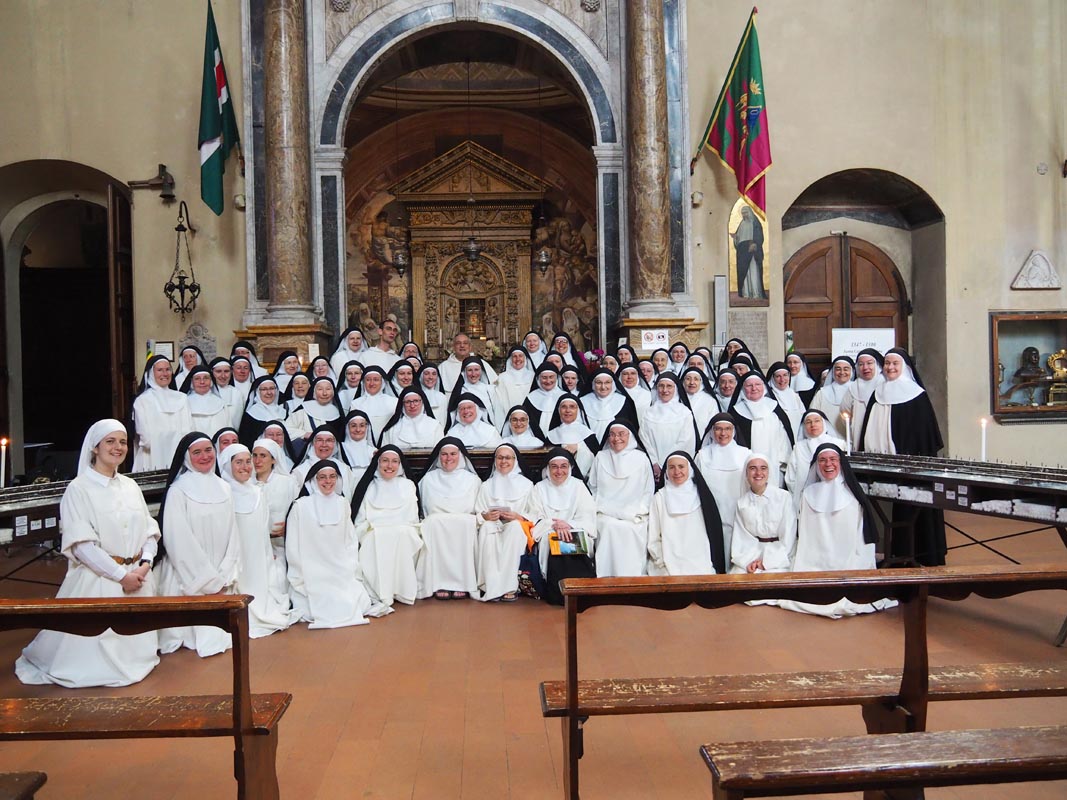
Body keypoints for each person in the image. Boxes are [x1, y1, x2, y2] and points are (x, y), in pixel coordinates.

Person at [15, 420, 160, 688]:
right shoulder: (79, 489)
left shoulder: (130, 486)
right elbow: (82, 546)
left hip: (137, 577)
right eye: (110, 441)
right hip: (102, 579)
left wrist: (145, 563)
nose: (118, 447)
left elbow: (150, 531)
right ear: (95, 447)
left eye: (123, 442)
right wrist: (121, 576)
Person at [778, 444, 897, 618]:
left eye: (833, 459)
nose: (828, 464)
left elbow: (861, 536)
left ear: (841, 463)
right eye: (823, 460)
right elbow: (805, 536)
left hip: (846, 562)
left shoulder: (852, 496)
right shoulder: (808, 494)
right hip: (813, 563)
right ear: (816, 465)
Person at [156, 432, 241, 658]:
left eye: (208, 450)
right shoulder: (178, 490)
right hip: (187, 573)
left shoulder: (225, 487)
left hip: (221, 571)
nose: (204, 456)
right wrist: (207, 579)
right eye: (197, 452)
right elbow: (178, 539)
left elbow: (233, 532)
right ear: (186, 457)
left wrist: (225, 572)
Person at [859, 348, 946, 565]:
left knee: (913, 511)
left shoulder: (916, 395)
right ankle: (897, 554)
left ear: (904, 367)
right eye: (887, 363)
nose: (890, 367)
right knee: (891, 512)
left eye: (894, 363)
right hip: (881, 465)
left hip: (913, 467)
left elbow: (924, 436)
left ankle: (923, 556)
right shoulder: (878, 393)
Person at [287, 460, 390, 628]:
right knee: (316, 604)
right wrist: (299, 572)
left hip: (340, 567)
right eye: (322, 477)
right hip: (310, 570)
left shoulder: (342, 503)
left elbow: (350, 540)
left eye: (332, 476)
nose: (328, 481)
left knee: (354, 600)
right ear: (314, 480)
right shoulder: (300, 506)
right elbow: (292, 545)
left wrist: (350, 565)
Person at [218, 444, 293, 637]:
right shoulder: (223, 493)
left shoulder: (257, 492)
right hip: (235, 555)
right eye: (239, 462)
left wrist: (268, 555)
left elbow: (262, 529)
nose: (245, 467)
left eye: (247, 462)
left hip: (257, 554)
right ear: (228, 465)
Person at [350, 445, 424, 607]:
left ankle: (402, 591)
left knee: (403, 534)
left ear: (400, 464)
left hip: (403, 531)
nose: (389, 466)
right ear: (378, 463)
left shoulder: (408, 485)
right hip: (373, 531)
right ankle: (382, 593)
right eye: (385, 461)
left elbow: (412, 519)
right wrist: (374, 529)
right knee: (377, 538)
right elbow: (360, 520)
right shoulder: (368, 486)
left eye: (394, 461)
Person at [474, 444, 543, 602]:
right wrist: (486, 516)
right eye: (500, 457)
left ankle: (509, 586)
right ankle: (490, 584)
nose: (503, 461)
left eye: (508, 458)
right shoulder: (486, 486)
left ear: (515, 460)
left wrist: (518, 516)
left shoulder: (527, 485)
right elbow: (478, 510)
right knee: (487, 528)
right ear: (495, 460)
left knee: (514, 528)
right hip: (493, 524)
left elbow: (534, 512)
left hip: (516, 526)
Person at [416, 438, 482, 600]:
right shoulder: (428, 479)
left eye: (453, 454)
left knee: (462, 525)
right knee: (434, 523)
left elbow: (477, 508)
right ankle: (439, 583)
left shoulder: (473, 480)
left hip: (465, 525)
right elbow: (424, 509)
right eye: (444, 454)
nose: (448, 458)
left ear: (461, 456)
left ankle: (463, 583)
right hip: (436, 525)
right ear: (439, 457)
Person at [587, 420, 653, 577]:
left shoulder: (642, 458)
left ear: (630, 436)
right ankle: (607, 578)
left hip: (635, 513)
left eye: (621, 434)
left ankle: (633, 579)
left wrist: (638, 511)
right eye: (612, 435)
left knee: (631, 529)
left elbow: (648, 490)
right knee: (608, 527)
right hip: (604, 512)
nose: (616, 439)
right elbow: (593, 487)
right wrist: (600, 507)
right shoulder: (601, 457)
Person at [647, 452, 726, 575]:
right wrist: (662, 562)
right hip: (667, 563)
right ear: (666, 471)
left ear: (690, 469)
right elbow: (654, 538)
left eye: (681, 466)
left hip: (701, 561)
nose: (677, 472)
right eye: (672, 467)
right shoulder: (659, 498)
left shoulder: (701, 496)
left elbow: (713, 533)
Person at [532, 449, 597, 580]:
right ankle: (554, 586)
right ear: (548, 469)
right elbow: (535, 517)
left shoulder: (579, 486)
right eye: (554, 467)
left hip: (576, 529)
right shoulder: (539, 488)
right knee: (552, 540)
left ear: (570, 468)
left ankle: (581, 586)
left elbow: (587, 516)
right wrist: (554, 525)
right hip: (548, 531)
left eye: (563, 466)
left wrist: (569, 525)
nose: (559, 471)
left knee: (574, 539)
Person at [695, 413, 751, 562]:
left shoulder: (745, 454)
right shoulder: (702, 455)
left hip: (737, 509)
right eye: (718, 429)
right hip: (712, 509)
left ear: (734, 431)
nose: (723, 433)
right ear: (712, 431)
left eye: (727, 429)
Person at [729, 452, 797, 575]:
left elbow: (788, 538)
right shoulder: (742, 503)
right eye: (753, 468)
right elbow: (741, 538)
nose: (758, 473)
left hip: (780, 556)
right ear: (746, 473)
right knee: (736, 577)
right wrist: (748, 562)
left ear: (769, 472)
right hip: (751, 555)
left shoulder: (783, 497)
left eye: (763, 468)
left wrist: (766, 562)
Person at [728, 373, 794, 486]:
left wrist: (782, 459)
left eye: (758, 384)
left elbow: (784, 437)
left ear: (764, 386)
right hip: (745, 466)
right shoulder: (736, 412)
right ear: (743, 388)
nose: (754, 388)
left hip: (774, 463)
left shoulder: (774, 408)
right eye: (749, 385)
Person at [132, 355, 193, 472]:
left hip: (178, 453)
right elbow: (144, 435)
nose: (165, 374)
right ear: (151, 373)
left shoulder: (182, 398)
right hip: (151, 454)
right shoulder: (143, 400)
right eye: (160, 370)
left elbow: (188, 428)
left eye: (168, 369)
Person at [252, 437, 298, 577]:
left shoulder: (288, 483)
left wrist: (289, 527)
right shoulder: (247, 484)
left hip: (282, 545)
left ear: (273, 460)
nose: (257, 460)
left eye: (263, 456)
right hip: (254, 546)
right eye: (254, 455)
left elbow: (298, 512)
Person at [785, 409, 847, 510]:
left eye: (817, 421)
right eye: (808, 422)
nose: (813, 425)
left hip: (834, 495)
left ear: (824, 423)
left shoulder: (839, 444)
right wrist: (797, 493)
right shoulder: (799, 447)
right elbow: (790, 476)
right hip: (804, 497)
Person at [640, 373, 699, 478]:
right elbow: (644, 439)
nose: (665, 390)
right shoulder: (648, 412)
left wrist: (666, 463)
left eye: (669, 386)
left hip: (675, 467)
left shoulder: (685, 413)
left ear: (675, 389)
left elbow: (685, 441)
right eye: (661, 386)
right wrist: (654, 463)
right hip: (652, 467)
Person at [839, 348, 884, 452]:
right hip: (859, 433)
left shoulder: (885, 384)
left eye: (869, 363)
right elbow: (844, 411)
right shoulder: (853, 387)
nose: (865, 367)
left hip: (881, 433)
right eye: (861, 364)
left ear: (877, 365)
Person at [292, 425, 357, 496]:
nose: (324, 444)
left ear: (335, 444)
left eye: (329, 440)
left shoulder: (345, 469)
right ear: (313, 443)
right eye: (319, 440)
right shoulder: (299, 472)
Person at [544, 395, 599, 476]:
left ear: (578, 410)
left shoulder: (588, 434)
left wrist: (579, 448)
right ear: (558, 410)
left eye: (572, 407)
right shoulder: (551, 436)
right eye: (564, 407)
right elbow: (546, 462)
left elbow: (597, 460)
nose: (568, 410)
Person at [581, 369, 639, 440]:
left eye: (607, 382)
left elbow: (631, 430)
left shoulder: (624, 401)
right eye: (599, 383)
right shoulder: (582, 402)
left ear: (613, 384)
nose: (603, 387)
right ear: (593, 384)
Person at [379, 386, 444, 449]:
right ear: (402, 405)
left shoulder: (435, 426)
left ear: (422, 402)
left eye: (416, 401)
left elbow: (440, 452)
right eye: (407, 402)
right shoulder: (392, 429)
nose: (412, 406)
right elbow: (385, 452)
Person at [448, 355, 504, 426]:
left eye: (476, 370)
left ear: (481, 371)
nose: (473, 374)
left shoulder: (490, 390)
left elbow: (498, 414)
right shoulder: (460, 392)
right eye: (470, 370)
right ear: (464, 372)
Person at [285, 375, 345, 442]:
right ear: (314, 392)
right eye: (320, 389)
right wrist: (304, 434)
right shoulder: (303, 411)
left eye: (328, 389)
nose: (324, 393)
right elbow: (285, 430)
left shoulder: (338, 414)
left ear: (333, 392)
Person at [180, 365, 231, 441]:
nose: (202, 382)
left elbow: (228, 428)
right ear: (191, 383)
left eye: (206, 378)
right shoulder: (184, 403)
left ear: (211, 381)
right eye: (197, 379)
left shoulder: (221, 403)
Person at [809, 355, 856, 439]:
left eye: (846, 369)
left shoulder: (857, 391)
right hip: (827, 439)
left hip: (852, 437)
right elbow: (813, 415)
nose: (842, 372)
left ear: (852, 371)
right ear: (833, 372)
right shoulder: (822, 393)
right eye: (838, 369)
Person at [351, 366, 398, 443]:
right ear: (363, 382)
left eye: (376, 380)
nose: (372, 383)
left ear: (382, 382)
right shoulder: (356, 404)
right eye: (368, 380)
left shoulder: (394, 402)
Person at [237, 376, 287, 447]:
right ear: (257, 392)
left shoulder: (283, 411)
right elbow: (245, 442)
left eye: (272, 388)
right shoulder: (251, 414)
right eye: (264, 389)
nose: (269, 392)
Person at [733, 204, 766, 299]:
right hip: (742, 251)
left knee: (753, 271)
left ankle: (756, 293)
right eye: (743, 213)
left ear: (750, 213)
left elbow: (760, 236)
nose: (744, 215)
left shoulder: (755, 223)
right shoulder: (741, 224)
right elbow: (738, 238)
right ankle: (745, 293)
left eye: (746, 213)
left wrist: (755, 244)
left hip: (752, 251)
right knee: (744, 272)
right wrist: (735, 238)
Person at [522, 362, 565, 435]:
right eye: (544, 377)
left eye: (551, 377)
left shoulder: (565, 397)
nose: (548, 381)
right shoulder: (531, 398)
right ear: (538, 379)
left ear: (557, 378)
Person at [767, 361, 806, 439]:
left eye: (785, 375)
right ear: (772, 378)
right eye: (778, 376)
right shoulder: (768, 397)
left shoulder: (794, 395)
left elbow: (803, 416)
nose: (782, 379)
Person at [681, 366, 718, 438]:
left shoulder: (710, 401)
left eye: (696, 379)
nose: (692, 382)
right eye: (688, 379)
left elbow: (714, 425)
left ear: (701, 382)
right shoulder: (677, 398)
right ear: (683, 381)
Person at [210, 357, 245, 428]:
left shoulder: (237, 393)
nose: (223, 376)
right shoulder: (207, 392)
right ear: (211, 372)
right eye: (218, 371)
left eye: (226, 371)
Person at [497, 345, 534, 412]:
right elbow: (499, 400)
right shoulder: (502, 377)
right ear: (510, 359)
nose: (518, 359)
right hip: (507, 413)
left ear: (525, 358)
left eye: (520, 356)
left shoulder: (532, 376)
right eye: (514, 356)